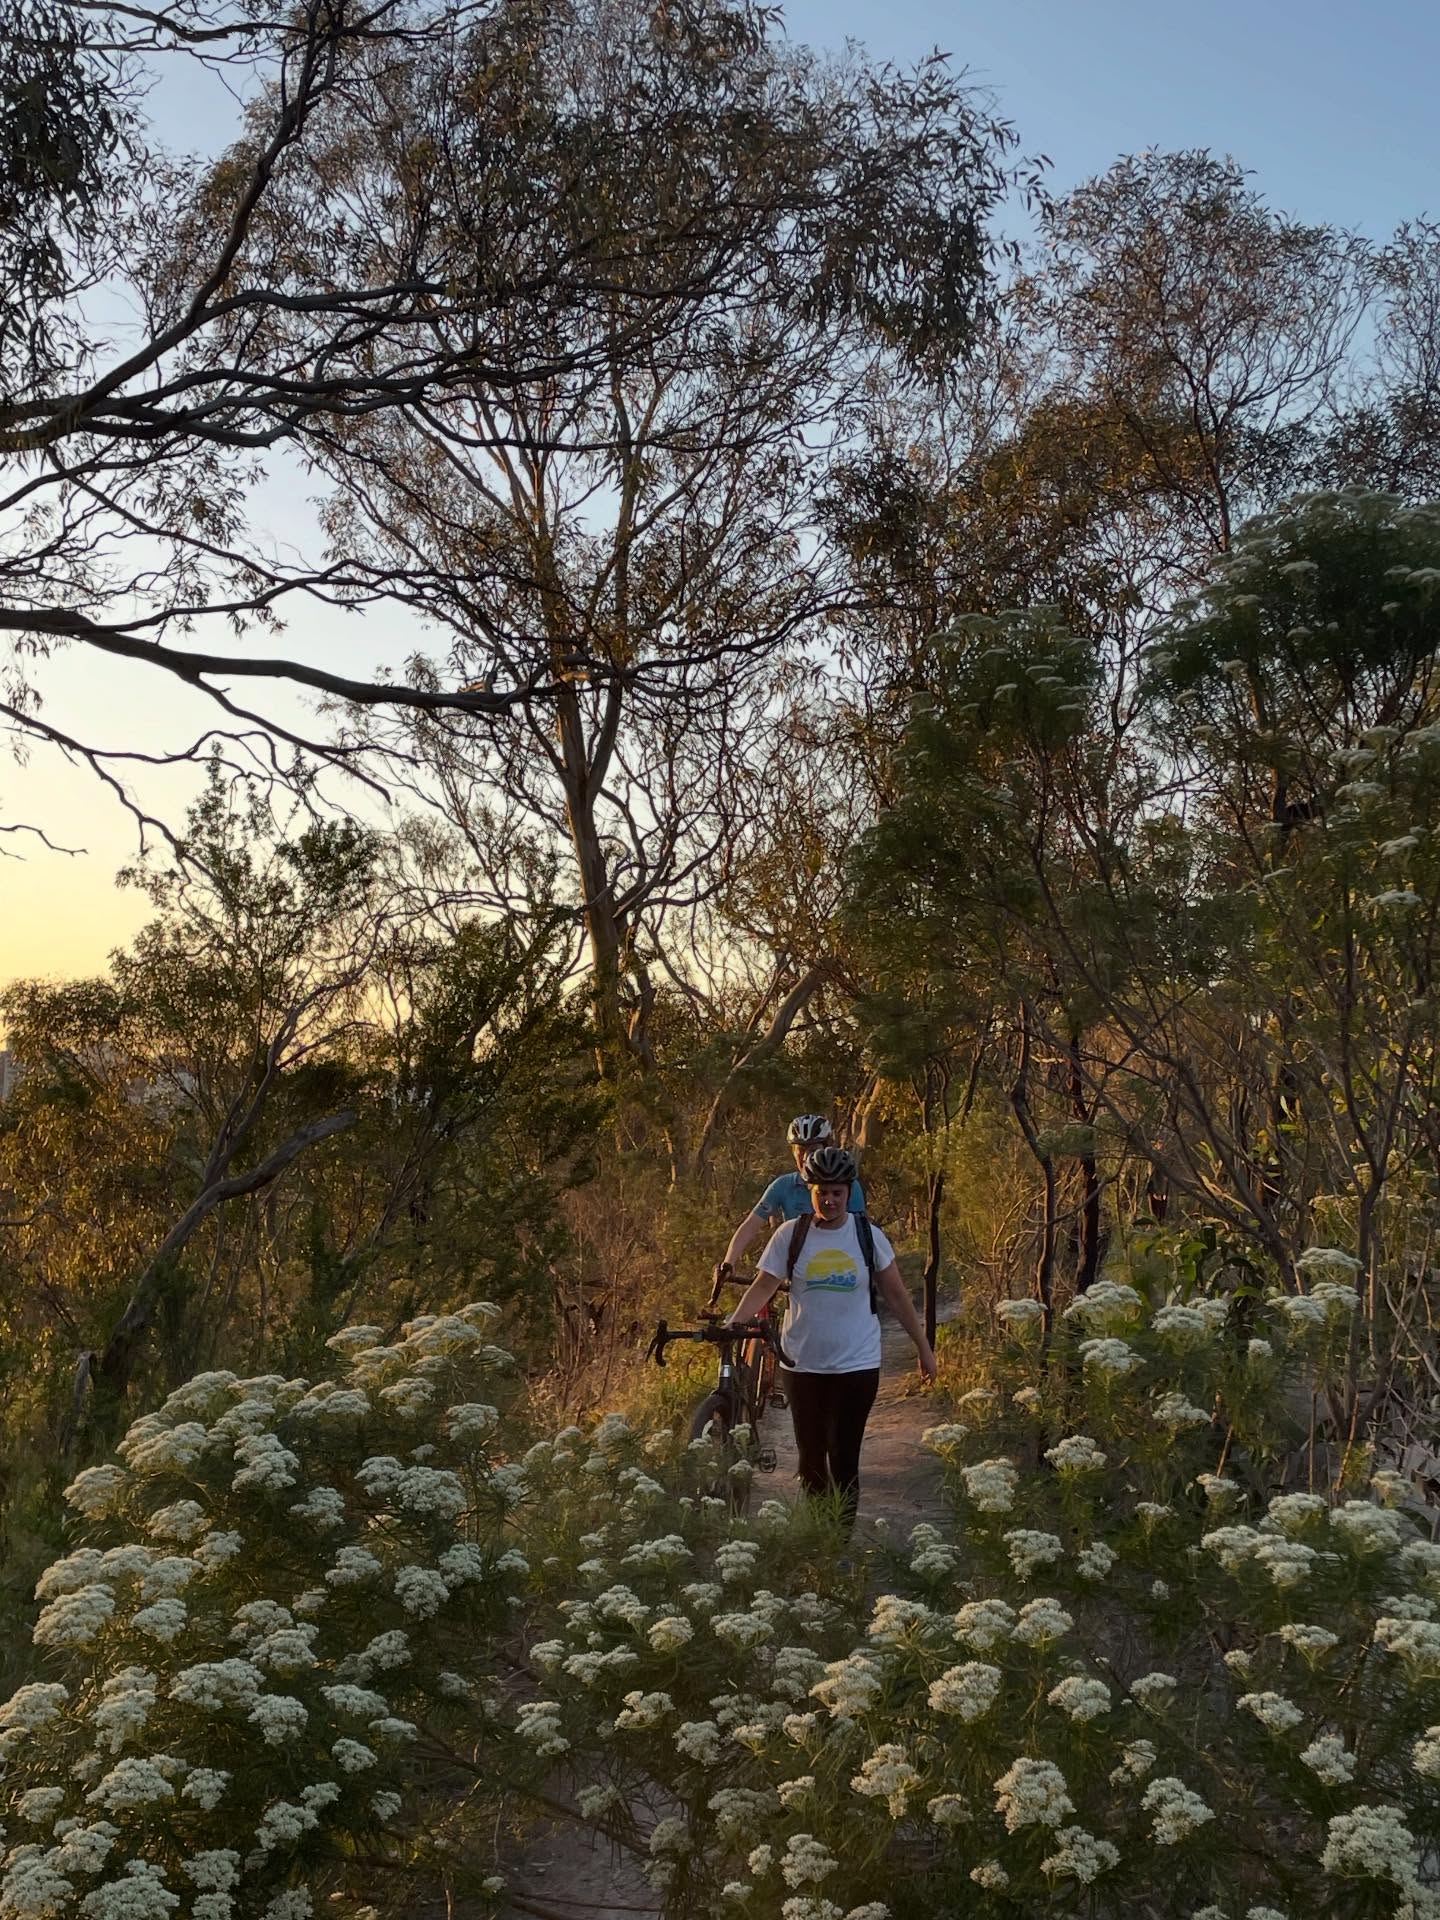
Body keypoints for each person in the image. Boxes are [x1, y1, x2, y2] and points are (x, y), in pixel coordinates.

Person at [726, 1144, 937, 1528]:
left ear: (848, 1192)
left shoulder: (867, 1236)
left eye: (837, 1192)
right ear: (810, 1192)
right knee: (810, 1458)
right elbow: (763, 1287)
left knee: (843, 1456)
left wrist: (923, 1348)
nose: (829, 1200)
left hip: (857, 1363)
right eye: (821, 1192)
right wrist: (733, 1323)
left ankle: (837, 1542)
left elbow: (897, 1296)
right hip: (802, 1363)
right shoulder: (791, 1236)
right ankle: (818, 1534)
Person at [715, 1114, 867, 1285]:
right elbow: (751, 1225)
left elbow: (859, 1233)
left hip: (839, 1271)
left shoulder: (847, 1186)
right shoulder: (783, 1185)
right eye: (799, 1150)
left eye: (812, 1150)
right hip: (798, 1273)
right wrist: (728, 1262)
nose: (805, 1157)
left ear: (827, 1148)